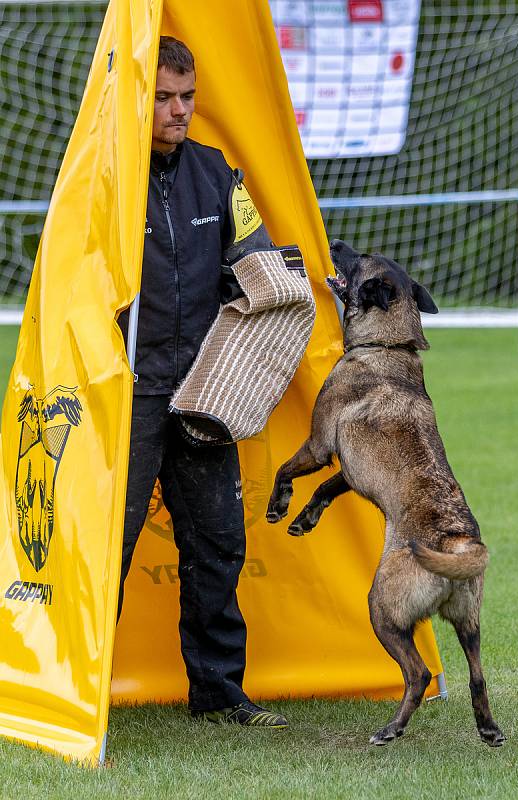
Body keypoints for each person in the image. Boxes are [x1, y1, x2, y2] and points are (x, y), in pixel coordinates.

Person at [117, 36, 288, 729]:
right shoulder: (106, 178)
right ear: (139, 99)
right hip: (123, 391)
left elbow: (256, 264)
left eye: (186, 97)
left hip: (203, 391)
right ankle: (71, 695)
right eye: (163, 97)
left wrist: (294, 283)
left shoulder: (218, 175)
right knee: (107, 549)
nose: (177, 110)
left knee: (219, 542)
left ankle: (218, 695)